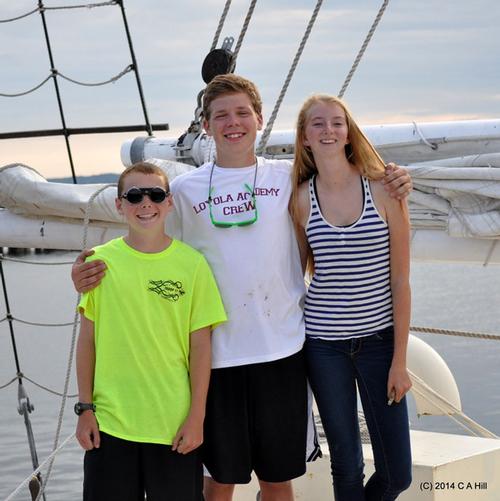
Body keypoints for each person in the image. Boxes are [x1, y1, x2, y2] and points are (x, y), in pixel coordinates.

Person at [72, 74, 412, 501]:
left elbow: (341, 175)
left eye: (241, 113)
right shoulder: (182, 191)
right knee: (221, 481)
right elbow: (144, 242)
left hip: (283, 352)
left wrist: (395, 177)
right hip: (216, 358)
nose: (232, 123)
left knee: (277, 479)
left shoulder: (290, 179)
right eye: (220, 115)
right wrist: (86, 272)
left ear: (259, 119)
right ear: (206, 125)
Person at [75, 162, 227, 501]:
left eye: (156, 194)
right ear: (119, 205)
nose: (146, 203)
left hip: (173, 427)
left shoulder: (192, 265)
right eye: (134, 196)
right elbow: (87, 342)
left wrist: (196, 418)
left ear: (169, 202)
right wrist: (84, 409)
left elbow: (201, 348)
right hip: (110, 425)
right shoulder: (99, 263)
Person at [290, 93, 412, 500]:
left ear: (348, 131)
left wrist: (400, 361)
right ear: (305, 137)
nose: (328, 130)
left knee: (397, 474)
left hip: (379, 344)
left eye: (336, 123)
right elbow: (295, 272)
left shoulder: (384, 188)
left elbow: (401, 281)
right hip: (324, 346)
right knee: (346, 464)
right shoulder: (301, 199)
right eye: (318, 124)